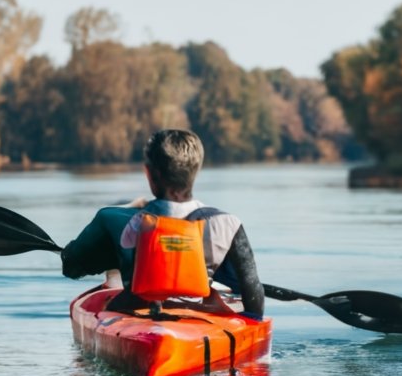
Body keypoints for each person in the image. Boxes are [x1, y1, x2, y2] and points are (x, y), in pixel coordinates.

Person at [61, 128, 264, 319]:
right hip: (200, 313)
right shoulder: (228, 223)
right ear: (196, 170)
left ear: (149, 173)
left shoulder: (131, 221)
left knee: (112, 304)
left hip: (142, 308)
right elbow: (254, 299)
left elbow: (86, 266)